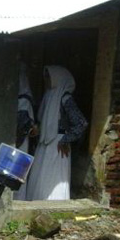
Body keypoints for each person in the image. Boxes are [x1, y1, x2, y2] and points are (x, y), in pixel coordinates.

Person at [26, 66, 87, 201]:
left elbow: (81, 123)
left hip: (58, 145)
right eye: (46, 77)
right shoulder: (49, 96)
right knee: (42, 177)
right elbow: (47, 122)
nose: (46, 80)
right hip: (45, 143)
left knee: (54, 177)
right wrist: (38, 129)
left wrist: (66, 139)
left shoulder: (65, 98)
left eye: (49, 77)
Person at [13, 63, 38, 201]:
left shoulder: (24, 100)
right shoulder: (16, 99)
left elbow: (27, 126)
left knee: (18, 171)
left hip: (21, 142)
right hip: (16, 141)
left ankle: (19, 200)